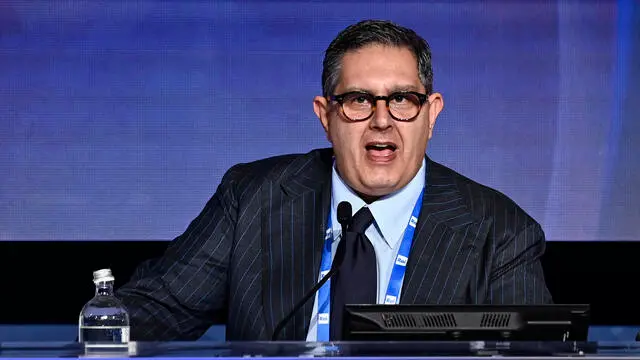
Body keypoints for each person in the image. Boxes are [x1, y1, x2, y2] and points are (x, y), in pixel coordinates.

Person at [115, 19, 552, 342]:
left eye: (402, 99)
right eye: (358, 100)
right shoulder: (252, 198)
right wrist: (103, 326)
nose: (382, 120)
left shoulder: (501, 231)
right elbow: (158, 308)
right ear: (325, 117)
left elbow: (538, 355)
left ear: (431, 113)